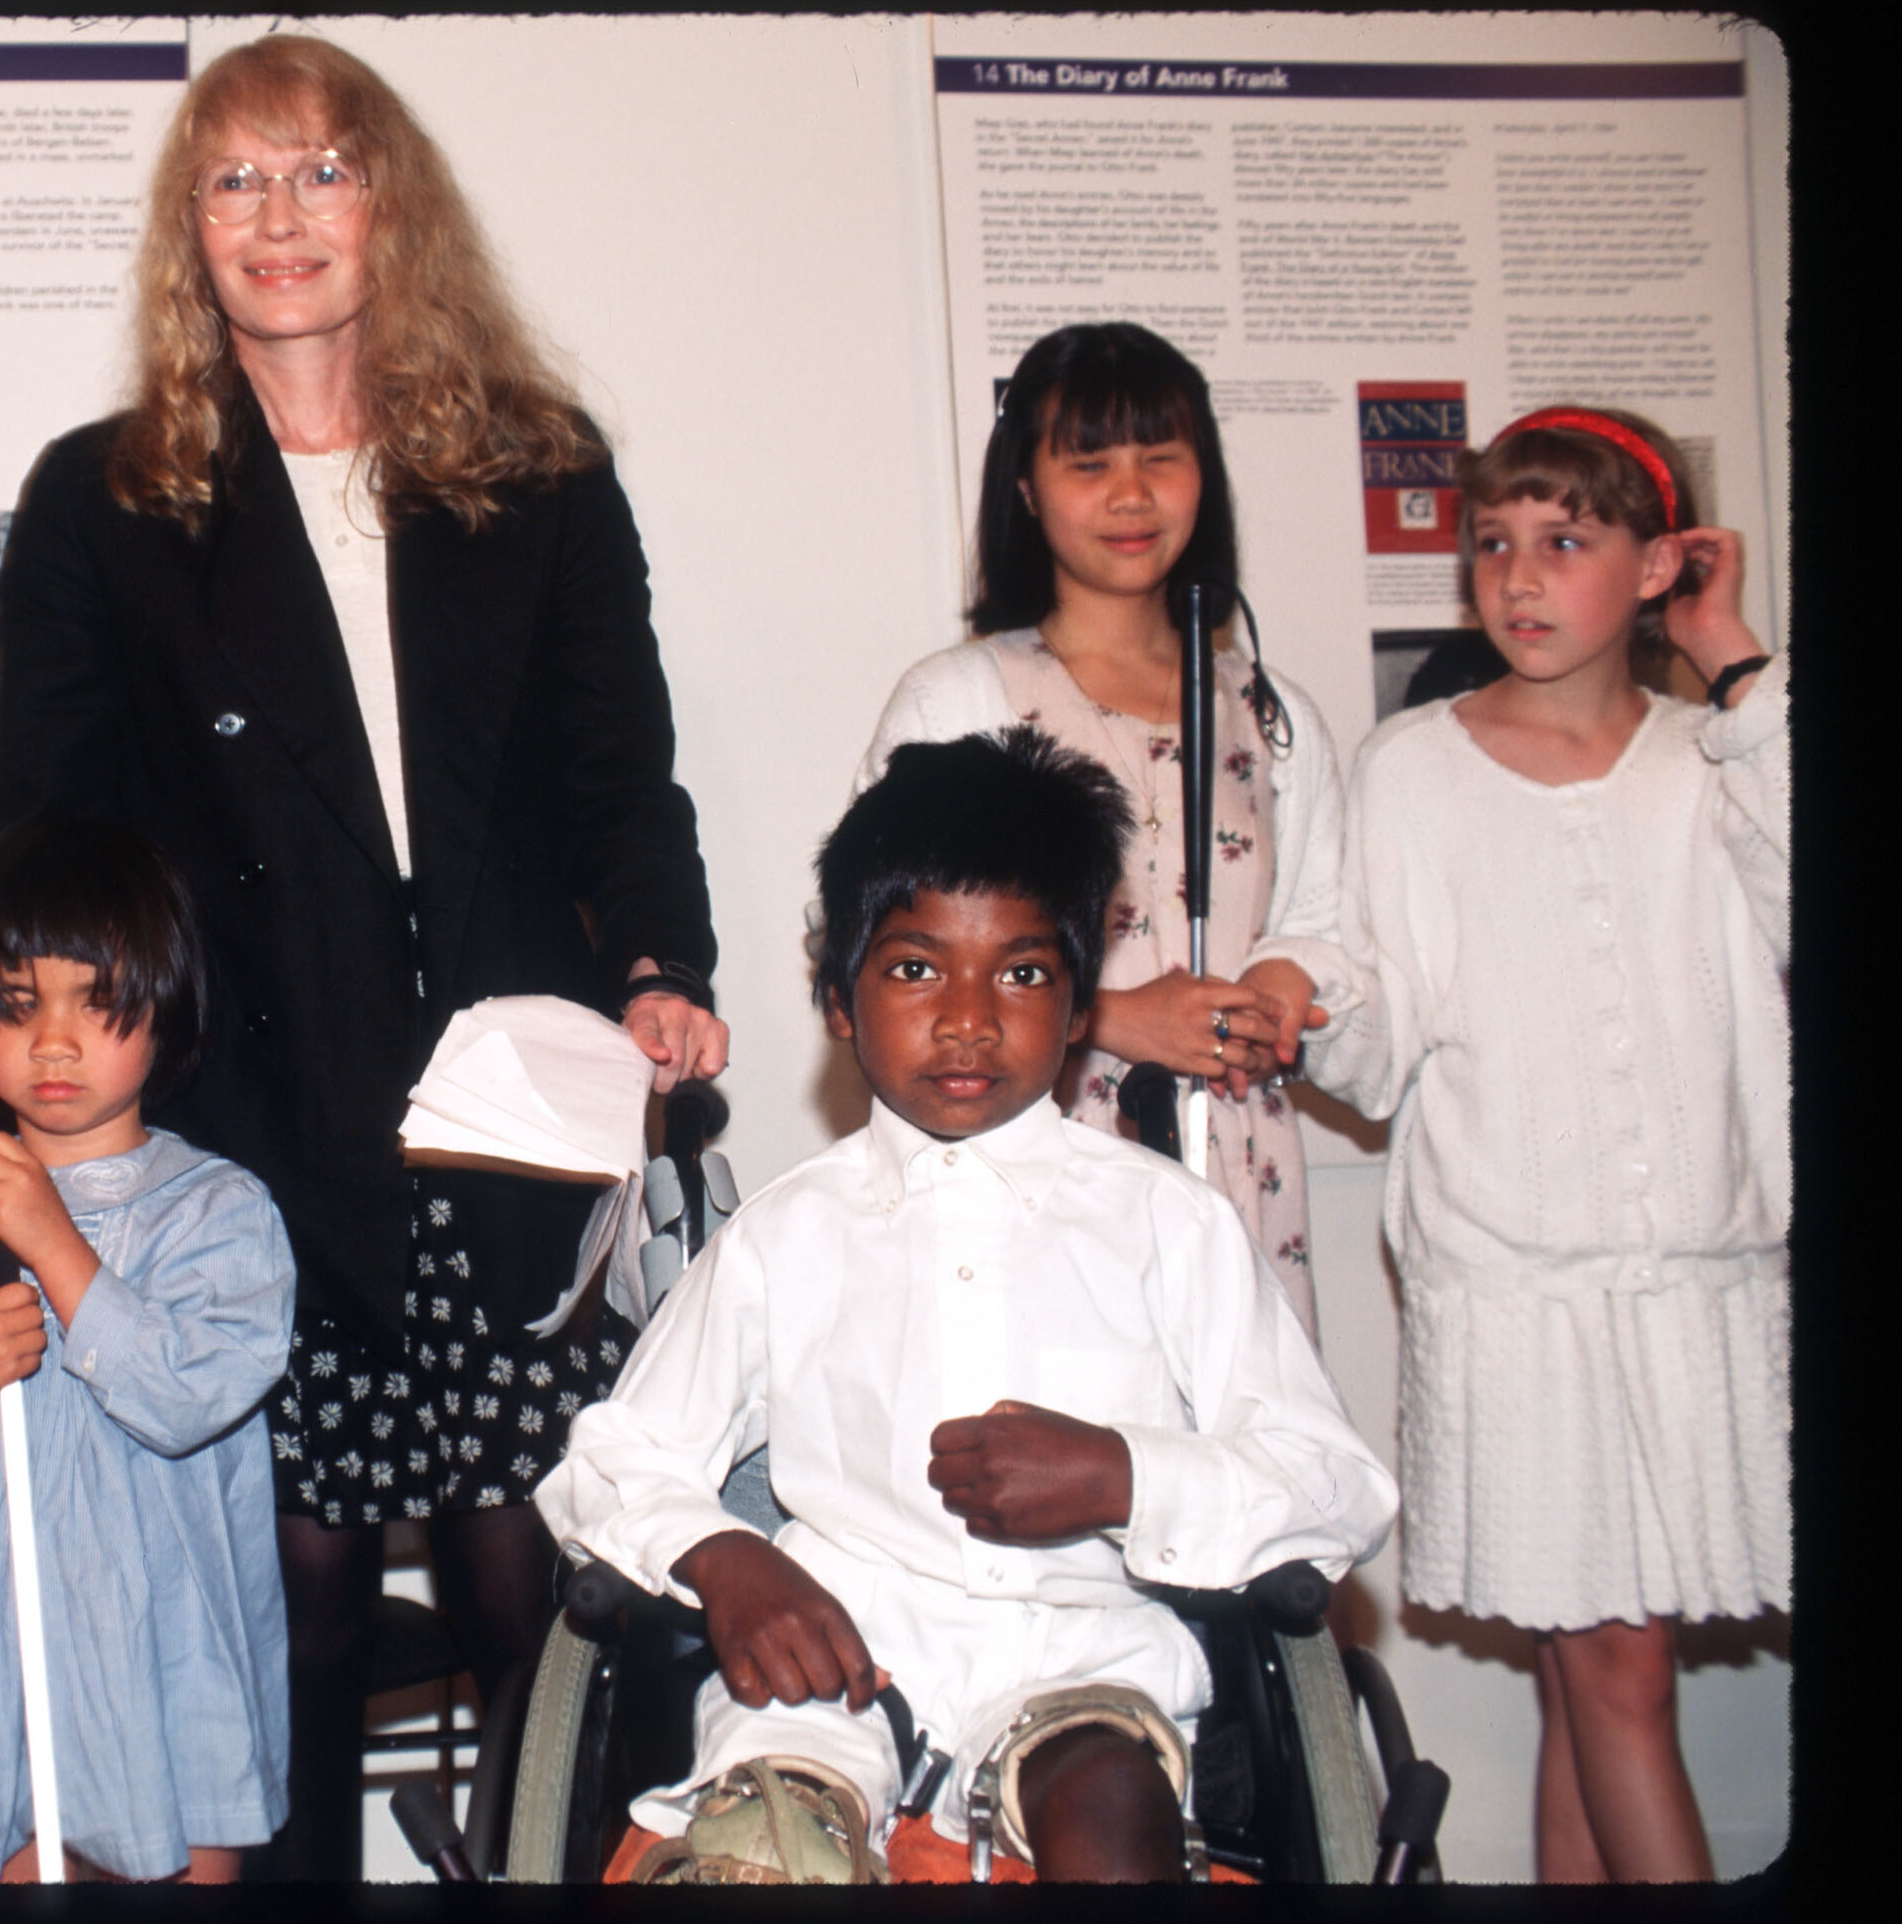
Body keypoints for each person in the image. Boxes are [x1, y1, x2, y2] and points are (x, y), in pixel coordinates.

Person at [0, 33, 727, 1877]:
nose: (280, 213)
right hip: (252, 1130)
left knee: (525, 1607)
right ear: (192, 229)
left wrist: (655, 960)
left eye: (320, 167)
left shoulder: (539, 474)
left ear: (388, 202)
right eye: (235, 179)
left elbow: (616, 766)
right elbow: (42, 846)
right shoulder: (105, 500)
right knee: (291, 1628)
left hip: (503, 1114)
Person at [538, 728, 1395, 1884]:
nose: (968, 1018)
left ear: (1083, 1002)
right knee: (762, 1858)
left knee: (1111, 1814)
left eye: (1024, 973)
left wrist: (1124, 1476)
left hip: (1077, 1665)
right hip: (826, 1681)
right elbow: (611, 1459)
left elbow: (1337, 1485)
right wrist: (724, 1559)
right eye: (914, 969)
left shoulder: (1165, 1223)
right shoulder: (788, 1234)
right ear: (837, 999)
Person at [1297, 407, 1787, 1883]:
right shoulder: (1409, 768)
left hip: (1690, 1285)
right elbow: (1370, 1036)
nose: (1519, 577)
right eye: (1494, 545)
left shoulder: (1720, 755)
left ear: (1656, 565)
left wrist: (1733, 651)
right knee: (1614, 1676)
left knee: (1593, 1684)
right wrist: (1299, 1002)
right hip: (1513, 1296)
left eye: (1565, 542)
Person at [854, 323, 1359, 1336]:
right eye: (1089, 464)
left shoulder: (1271, 711)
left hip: (1234, 1161)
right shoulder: (961, 696)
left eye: (1160, 460)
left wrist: (1281, 988)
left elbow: (1327, 919)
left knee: (1235, 1458)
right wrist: (1113, 1018)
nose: (1131, 497)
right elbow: (869, 942)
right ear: (1028, 489)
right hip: (1028, 1155)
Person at [0, 816, 295, 1883]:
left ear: (165, 1012)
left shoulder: (219, 1212)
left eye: (97, 1003)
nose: (53, 1042)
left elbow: (186, 1394)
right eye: (15, 1004)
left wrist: (53, 1243)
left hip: (161, 1670)